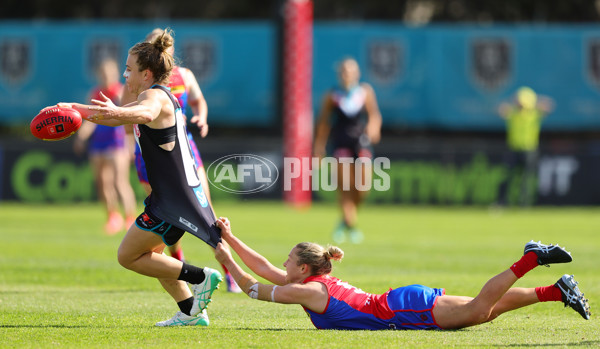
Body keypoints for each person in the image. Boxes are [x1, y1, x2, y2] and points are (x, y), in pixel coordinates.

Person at [59, 28, 223, 326]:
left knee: (128, 256)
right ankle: (190, 311)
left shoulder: (154, 96)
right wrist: (74, 109)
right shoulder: (156, 94)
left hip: (171, 200)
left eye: (129, 69)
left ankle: (200, 277)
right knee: (153, 257)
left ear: (146, 74)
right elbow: (115, 117)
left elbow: (144, 113)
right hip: (169, 196)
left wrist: (114, 112)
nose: (124, 75)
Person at [214, 217, 590, 330]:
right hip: (402, 301)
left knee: (478, 310)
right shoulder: (310, 282)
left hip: (402, 309)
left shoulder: (307, 291)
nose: (282, 267)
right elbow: (264, 270)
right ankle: (557, 292)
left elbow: (252, 289)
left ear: (304, 269)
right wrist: (231, 238)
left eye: (288, 262)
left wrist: (227, 260)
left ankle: (529, 259)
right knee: (484, 309)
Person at [121, 28, 241, 293]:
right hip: (149, 154)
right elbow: (126, 121)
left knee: (203, 209)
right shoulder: (135, 83)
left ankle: (229, 274)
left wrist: (202, 117)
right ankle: (177, 267)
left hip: (185, 149)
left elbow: (199, 102)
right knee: (166, 217)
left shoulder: (185, 76)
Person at [313, 57, 382, 244]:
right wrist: (319, 148)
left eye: (350, 71)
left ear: (357, 73)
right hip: (341, 144)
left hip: (361, 143)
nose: (347, 75)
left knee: (363, 187)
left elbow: (374, 114)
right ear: (339, 74)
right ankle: (350, 224)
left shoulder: (365, 92)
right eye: (344, 71)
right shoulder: (332, 95)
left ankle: (345, 221)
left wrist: (374, 128)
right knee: (344, 187)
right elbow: (323, 123)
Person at [73, 58, 137, 235]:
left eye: (109, 72)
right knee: (102, 183)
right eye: (103, 73)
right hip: (98, 143)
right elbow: (90, 119)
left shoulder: (121, 92)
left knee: (120, 182)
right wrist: (81, 136)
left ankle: (130, 218)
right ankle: (112, 217)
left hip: (117, 142)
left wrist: (131, 142)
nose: (106, 76)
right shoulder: (95, 92)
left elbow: (129, 119)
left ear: (115, 74)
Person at [497, 86, 554, 207]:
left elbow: (548, 106)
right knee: (507, 177)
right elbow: (501, 110)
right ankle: (502, 202)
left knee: (526, 180)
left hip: (529, 150)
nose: (519, 104)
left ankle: (524, 204)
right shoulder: (513, 113)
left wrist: (536, 103)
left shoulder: (533, 114)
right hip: (513, 149)